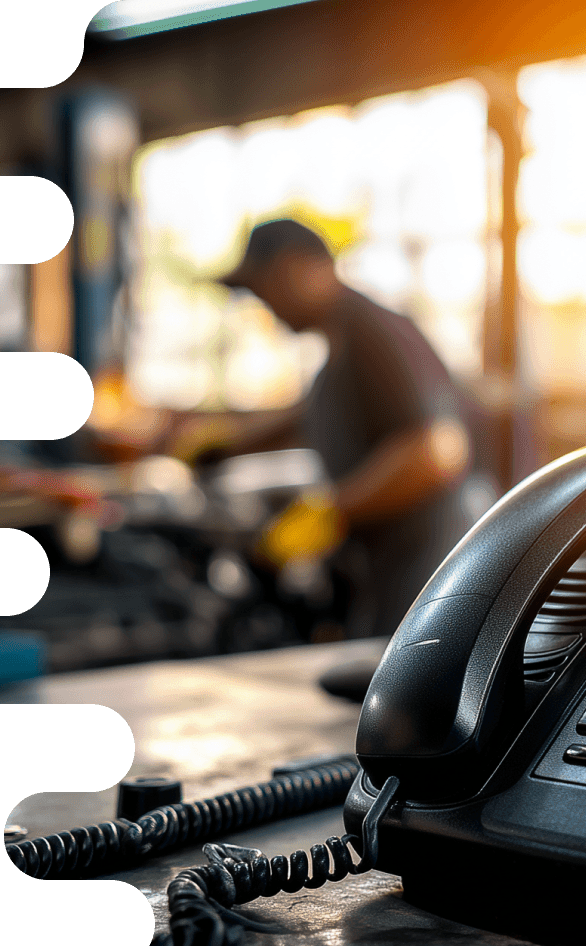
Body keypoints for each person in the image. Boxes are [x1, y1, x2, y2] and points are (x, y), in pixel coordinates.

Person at [172, 219, 490, 637]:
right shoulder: (340, 345)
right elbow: (310, 415)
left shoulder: (374, 332)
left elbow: (436, 453)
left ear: (303, 268)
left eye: (265, 286)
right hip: (387, 569)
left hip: (429, 575)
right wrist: (226, 446)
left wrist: (332, 512)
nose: (264, 303)